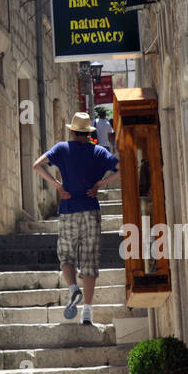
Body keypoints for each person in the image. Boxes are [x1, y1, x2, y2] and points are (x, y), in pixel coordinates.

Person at [33, 111, 121, 325]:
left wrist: (57, 186)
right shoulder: (99, 152)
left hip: (68, 208)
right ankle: (87, 312)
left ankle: (73, 288)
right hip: (90, 209)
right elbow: (123, 169)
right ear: (89, 133)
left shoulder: (62, 148)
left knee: (66, 255)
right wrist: (100, 184)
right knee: (89, 261)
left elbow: (37, 165)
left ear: (72, 131)